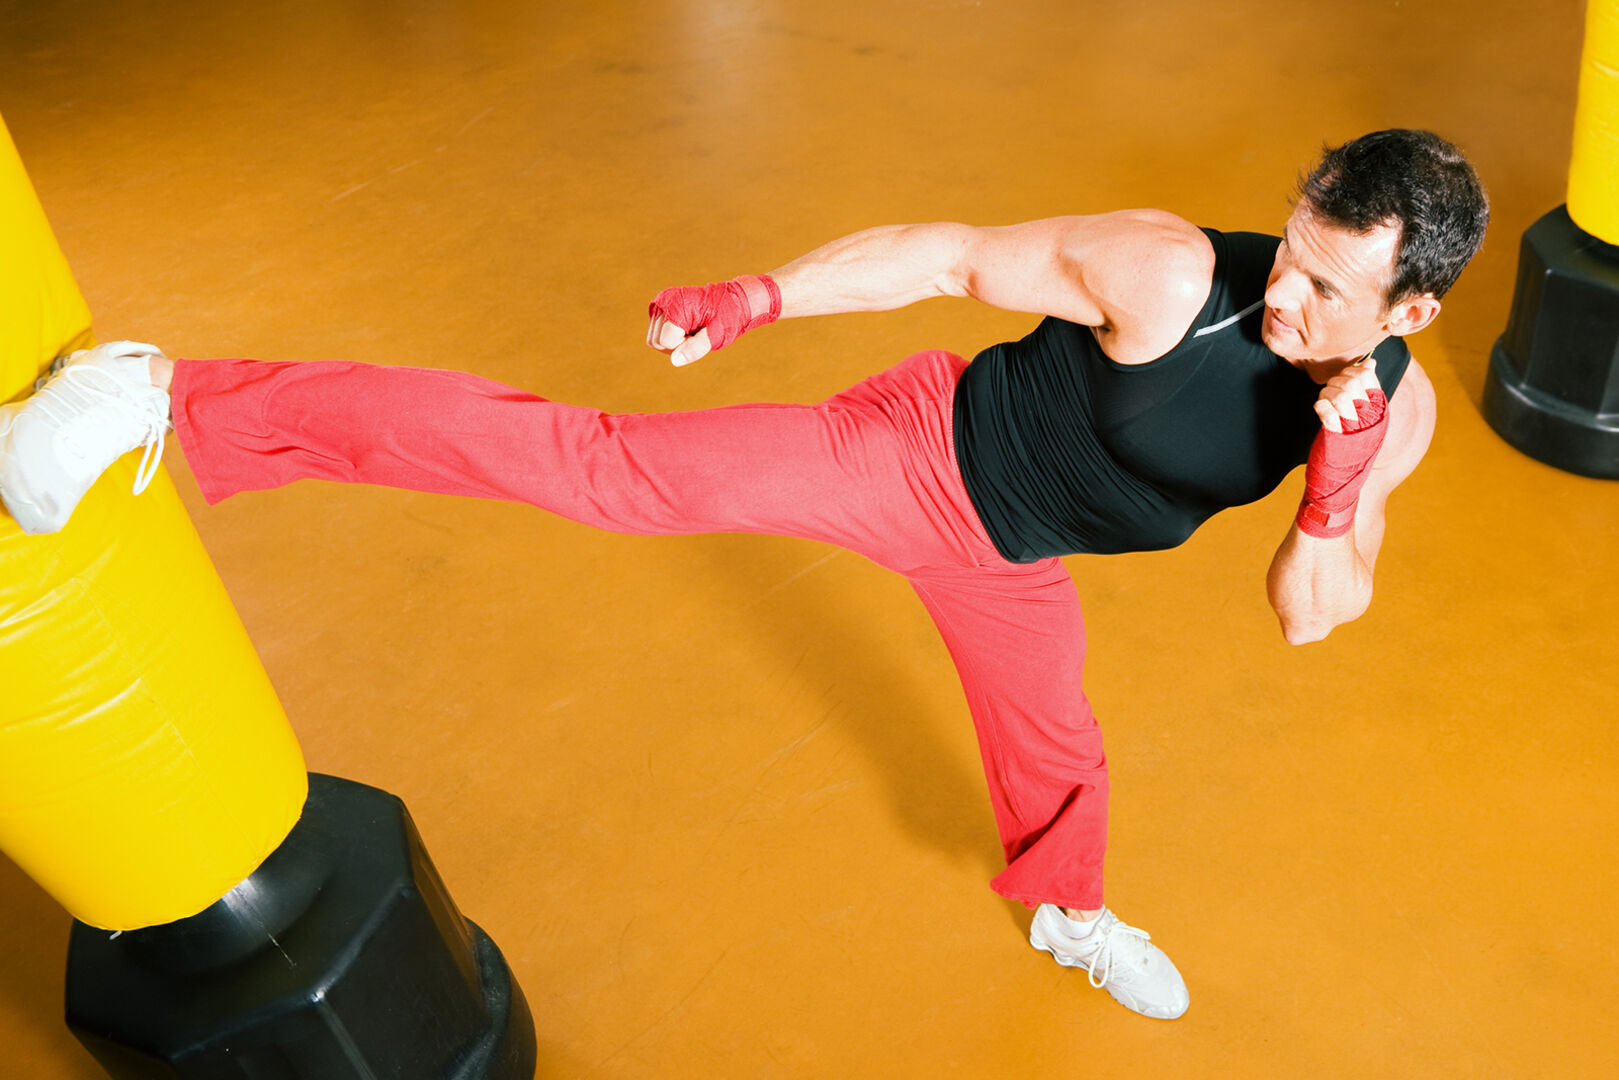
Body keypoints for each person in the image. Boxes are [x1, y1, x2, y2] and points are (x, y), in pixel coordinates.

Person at [0, 129, 1488, 1020]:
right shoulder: (1171, 272)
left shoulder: (1394, 418)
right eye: (1288, 252)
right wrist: (761, 294)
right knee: (597, 466)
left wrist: (1333, 491)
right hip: (909, 455)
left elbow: (1313, 618)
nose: (1283, 293)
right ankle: (164, 394)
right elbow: (951, 255)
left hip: (1015, 557)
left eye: (1325, 286)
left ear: (1410, 307)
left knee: (1064, 750)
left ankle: (1068, 910)